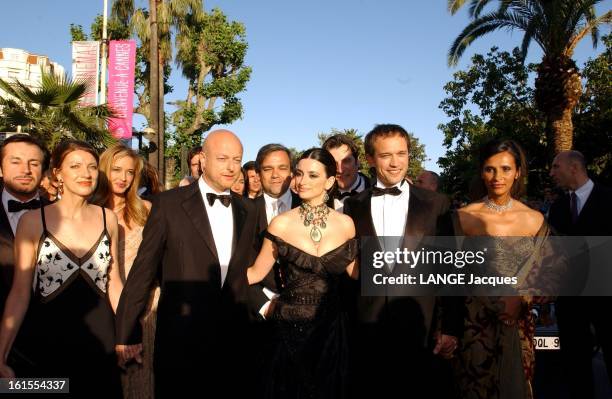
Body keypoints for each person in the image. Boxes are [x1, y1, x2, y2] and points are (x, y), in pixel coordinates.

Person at [115, 130, 259, 397]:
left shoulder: (248, 210)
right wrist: (127, 332)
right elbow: (143, 271)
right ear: (203, 159)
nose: (231, 167)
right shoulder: (168, 204)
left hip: (234, 340)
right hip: (181, 339)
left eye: (237, 160)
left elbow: (244, 273)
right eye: (223, 158)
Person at [343, 124, 463, 398]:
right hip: (368, 327)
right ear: (371, 159)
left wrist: (451, 328)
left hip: (422, 327)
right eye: (386, 155)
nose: (395, 162)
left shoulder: (437, 204)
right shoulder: (353, 206)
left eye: (402, 153)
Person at [0, 139, 123, 396]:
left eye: (91, 167)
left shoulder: (108, 219)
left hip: (102, 342)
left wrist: (128, 333)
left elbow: (114, 283)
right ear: (58, 173)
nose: (86, 173)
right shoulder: (32, 221)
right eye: (76, 166)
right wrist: (1, 353)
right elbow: (20, 292)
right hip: (46, 343)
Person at [247, 148, 357, 399]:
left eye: (313, 175)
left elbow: (356, 273)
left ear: (329, 181)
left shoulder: (346, 224)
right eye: (299, 173)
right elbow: (254, 273)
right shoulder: (281, 223)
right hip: (288, 329)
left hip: (331, 333)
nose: (302, 181)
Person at [452, 139, 550, 399]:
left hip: (518, 327)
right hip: (473, 326)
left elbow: (549, 274)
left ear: (518, 171)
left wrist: (522, 297)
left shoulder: (535, 219)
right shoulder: (463, 217)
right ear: (481, 172)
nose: (497, 177)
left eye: (506, 169)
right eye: (490, 169)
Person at [92, 144, 156, 399]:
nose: (123, 178)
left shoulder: (147, 210)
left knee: (140, 380)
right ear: (103, 169)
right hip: (102, 304)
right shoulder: (87, 211)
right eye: (116, 169)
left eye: (130, 172)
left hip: (145, 305)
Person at [548, 150, 612, 399]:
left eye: (556, 167)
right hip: (570, 302)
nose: (551, 173)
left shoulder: (608, 199)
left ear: (574, 168)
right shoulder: (558, 207)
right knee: (575, 367)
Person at [0, 134, 49, 374]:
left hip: (52, 343)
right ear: (0, 168)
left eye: (34, 163)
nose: (26, 170)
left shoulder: (62, 215)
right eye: (16, 161)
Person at [250, 144, 302, 319]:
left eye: (282, 168)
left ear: (292, 172)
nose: (275, 175)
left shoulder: (309, 208)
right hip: (259, 312)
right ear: (258, 173)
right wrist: (264, 305)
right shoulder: (242, 212)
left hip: (307, 311)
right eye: (267, 169)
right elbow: (236, 268)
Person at [322, 133, 370, 212]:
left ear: (357, 161)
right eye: (334, 163)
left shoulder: (376, 190)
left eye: (346, 161)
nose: (340, 170)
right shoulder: (320, 193)